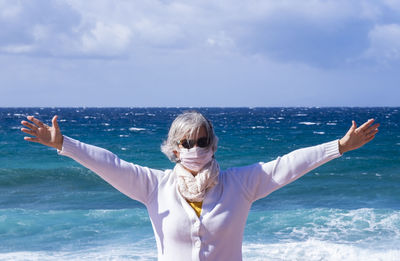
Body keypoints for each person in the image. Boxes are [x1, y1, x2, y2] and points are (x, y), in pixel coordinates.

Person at [20, 111, 379, 261]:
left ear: (213, 145)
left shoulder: (242, 183)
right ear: (174, 149)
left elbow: (288, 165)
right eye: (187, 143)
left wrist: (339, 147)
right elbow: (111, 163)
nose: (196, 149)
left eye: (202, 141)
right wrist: (63, 145)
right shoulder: (153, 186)